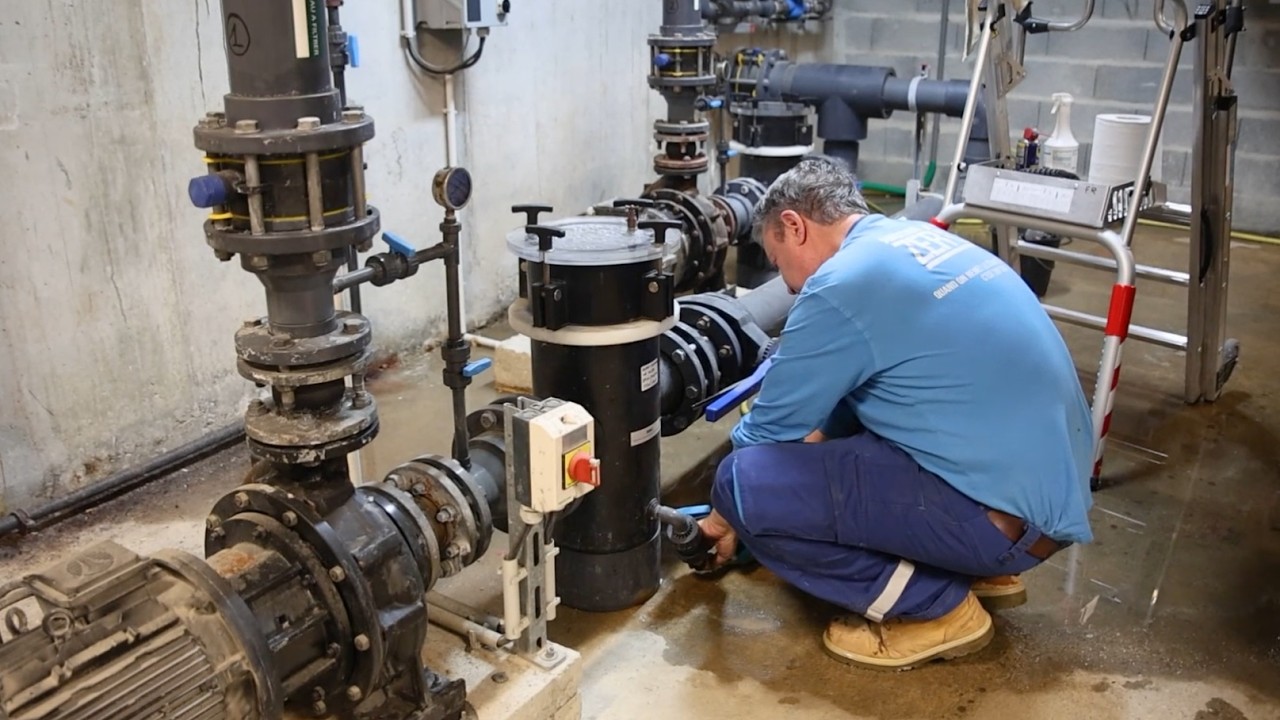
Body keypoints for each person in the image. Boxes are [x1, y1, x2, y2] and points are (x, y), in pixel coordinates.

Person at [698, 155, 1094, 670]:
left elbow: (769, 432)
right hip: (1044, 508)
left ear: (794, 226)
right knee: (849, 427)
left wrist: (724, 515)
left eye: (778, 260)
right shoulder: (919, 241)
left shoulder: (840, 284)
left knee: (741, 482)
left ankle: (936, 606)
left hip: (1001, 527)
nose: (788, 285)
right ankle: (978, 569)